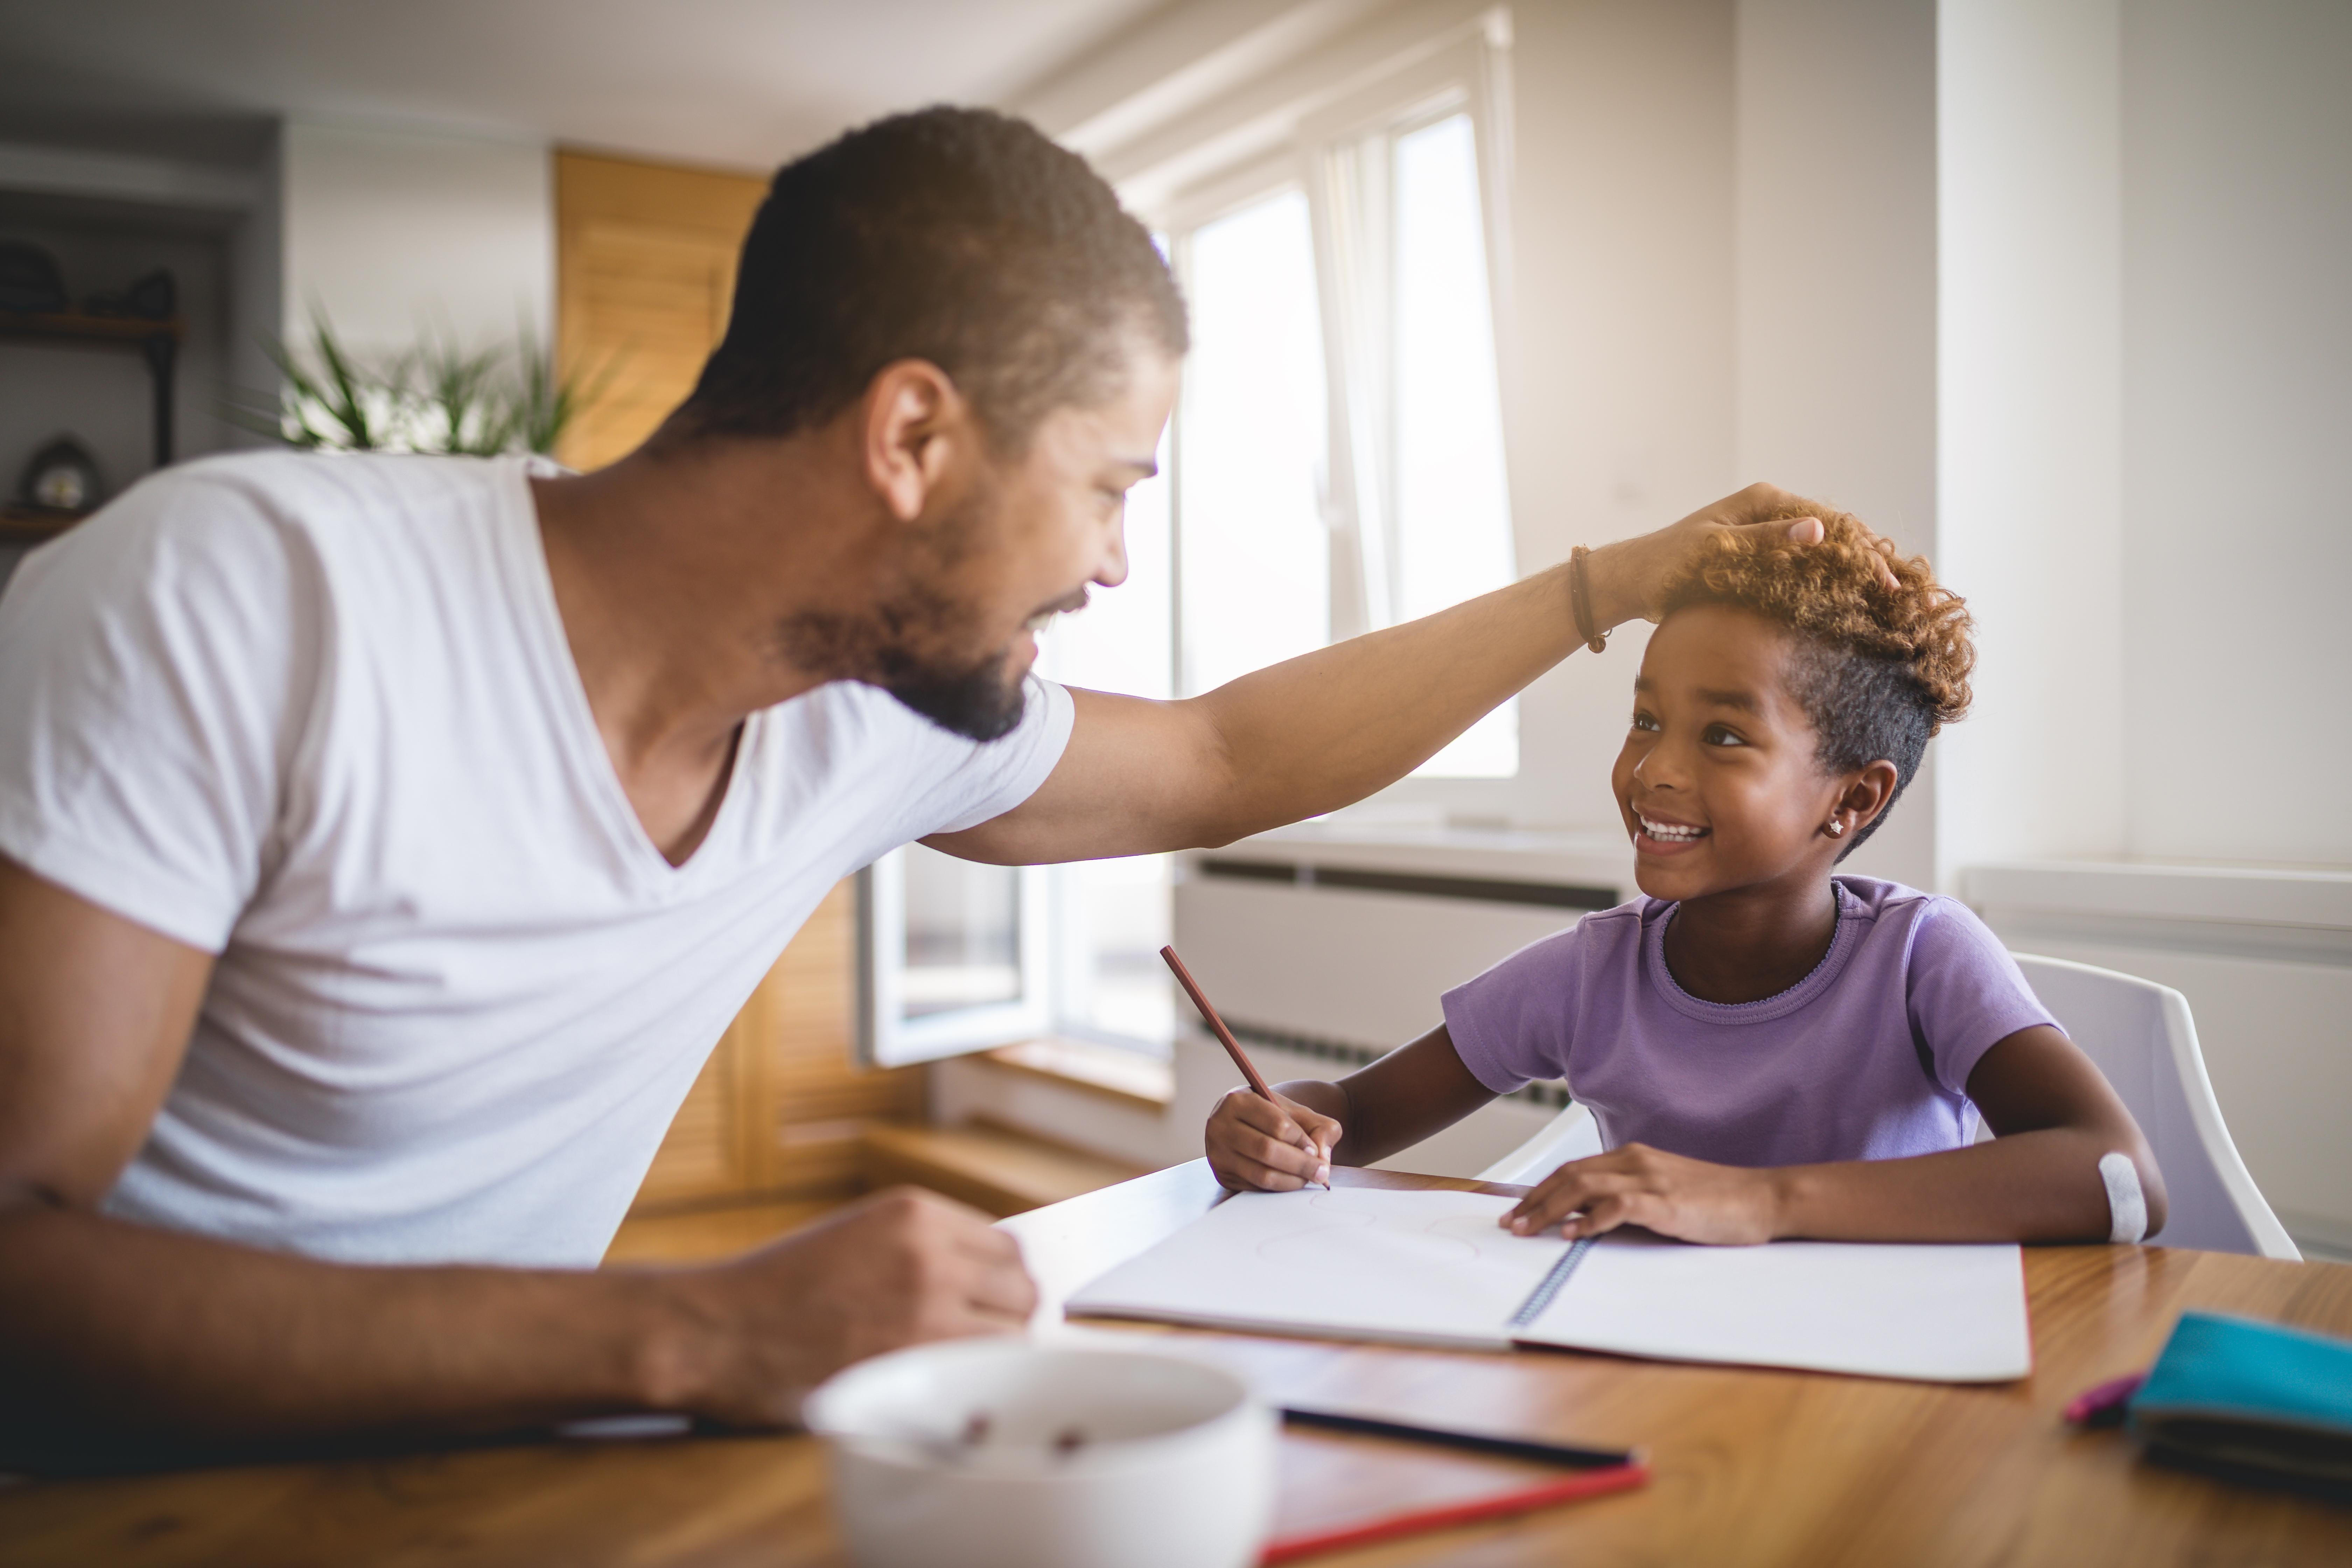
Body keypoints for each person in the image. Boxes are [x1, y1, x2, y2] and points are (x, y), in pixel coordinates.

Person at [0, 104, 1836, 1467]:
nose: (1116, 564)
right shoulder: (239, 594)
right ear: (911, 435)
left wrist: (1611, 587)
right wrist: (692, 1329)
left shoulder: (869, 710)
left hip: (511, 1484)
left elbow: (1227, 755)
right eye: (1113, 484)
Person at [1206, 501, 2169, 1248]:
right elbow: (1362, 1113)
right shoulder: (1590, 974)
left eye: (1721, 734)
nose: (1656, 768)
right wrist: (1286, 1127)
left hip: (1885, 1385)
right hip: (1664, 1376)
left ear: (1854, 799)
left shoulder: (1923, 955)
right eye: (1645, 720)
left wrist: (1759, 1202)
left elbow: (2120, 1179)